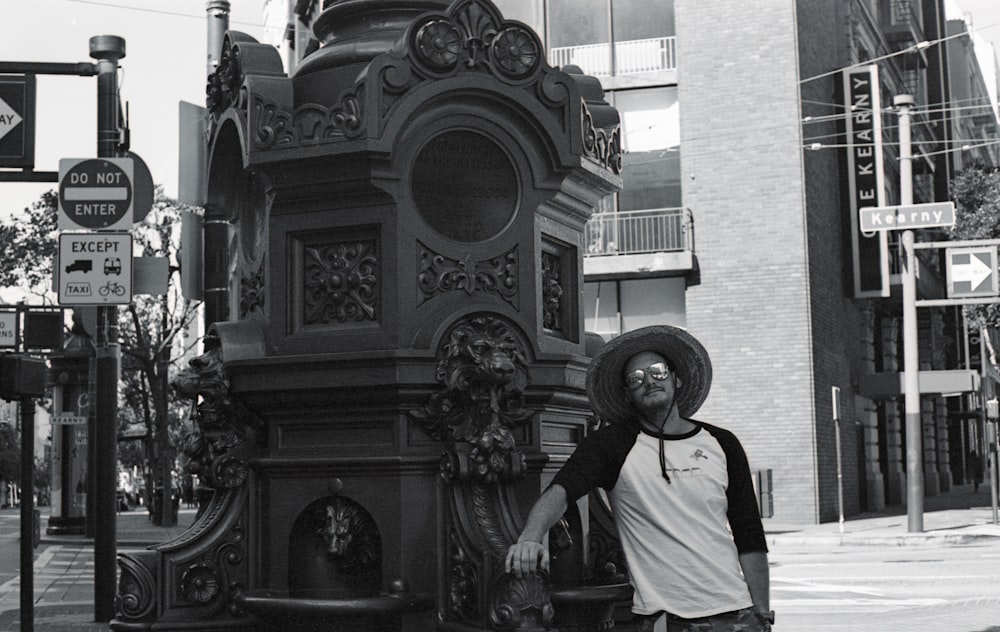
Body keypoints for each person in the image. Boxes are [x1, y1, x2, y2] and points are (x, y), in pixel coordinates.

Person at [505, 325, 773, 632]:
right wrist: (530, 536)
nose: (648, 381)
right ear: (627, 394)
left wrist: (762, 613)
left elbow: (749, 533)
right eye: (636, 378)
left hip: (735, 613)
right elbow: (561, 491)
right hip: (664, 618)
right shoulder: (612, 445)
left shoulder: (722, 443)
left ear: (677, 378)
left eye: (657, 371)